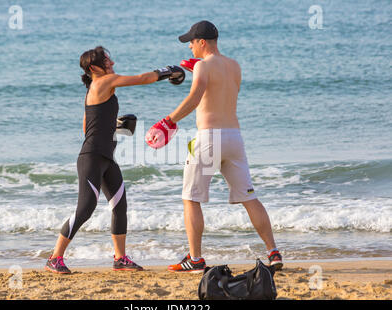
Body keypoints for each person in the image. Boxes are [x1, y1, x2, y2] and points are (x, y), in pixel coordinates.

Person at [146, 21, 283, 273]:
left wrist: (167, 122)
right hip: (234, 138)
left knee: (191, 198)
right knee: (250, 197)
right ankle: (273, 252)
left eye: (191, 41)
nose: (189, 46)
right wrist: (199, 68)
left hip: (209, 138)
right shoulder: (234, 65)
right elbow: (222, 92)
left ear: (202, 42)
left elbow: (195, 98)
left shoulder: (203, 67)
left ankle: (196, 259)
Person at [45, 46, 185, 274]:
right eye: (107, 61)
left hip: (106, 157)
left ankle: (120, 258)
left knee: (120, 207)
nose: (112, 63)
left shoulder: (95, 88)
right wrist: (168, 71)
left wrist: (115, 127)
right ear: (94, 67)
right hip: (91, 158)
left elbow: (86, 126)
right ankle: (54, 257)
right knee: (85, 208)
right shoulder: (103, 83)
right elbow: (142, 79)